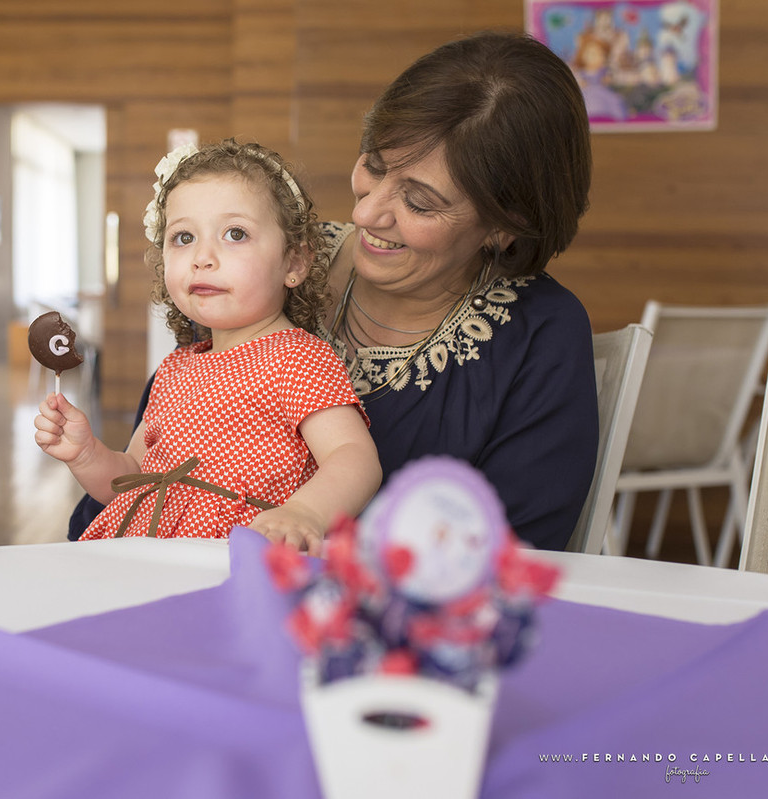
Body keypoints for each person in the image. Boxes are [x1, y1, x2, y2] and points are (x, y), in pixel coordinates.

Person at [71, 31, 599, 552]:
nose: (366, 212)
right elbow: (151, 463)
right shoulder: (254, 267)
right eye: (373, 164)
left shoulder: (539, 335)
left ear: (506, 224)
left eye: (418, 202)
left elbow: (512, 553)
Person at [36, 139, 381, 555]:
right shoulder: (174, 369)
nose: (202, 257)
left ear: (293, 263)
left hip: (232, 563)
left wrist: (305, 513)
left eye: (235, 234)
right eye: (183, 237)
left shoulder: (299, 359)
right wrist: (87, 455)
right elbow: (132, 481)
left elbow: (355, 457)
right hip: (139, 560)